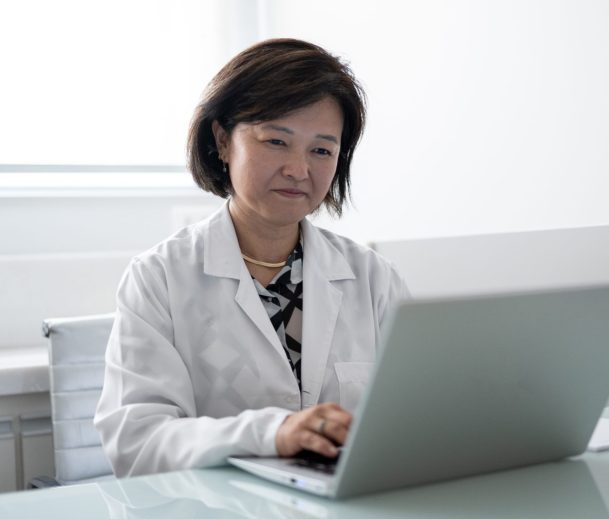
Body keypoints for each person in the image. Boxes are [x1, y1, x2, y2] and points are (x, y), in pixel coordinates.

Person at [94, 38, 409, 478]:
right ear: (223, 141)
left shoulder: (374, 278)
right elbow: (138, 442)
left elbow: (413, 421)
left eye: (321, 150)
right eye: (276, 141)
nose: (299, 169)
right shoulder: (159, 277)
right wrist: (271, 433)